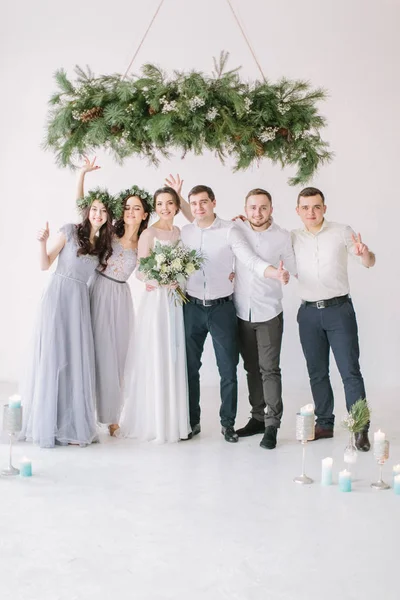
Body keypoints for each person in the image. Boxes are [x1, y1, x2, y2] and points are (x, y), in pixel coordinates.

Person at [178, 183, 289, 443]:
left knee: (228, 370)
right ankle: (192, 421)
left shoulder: (231, 230)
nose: (199, 208)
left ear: (214, 202)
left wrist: (274, 272)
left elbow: (249, 259)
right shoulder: (185, 232)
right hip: (191, 307)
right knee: (190, 368)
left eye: (204, 202)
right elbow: (186, 218)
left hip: (223, 309)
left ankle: (227, 424)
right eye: (194, 204)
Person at [20, 188, 114, 448]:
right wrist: (42, 242)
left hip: (79, 301)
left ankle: (72, 424)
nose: (98, 214)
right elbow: (44, 264)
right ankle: (48, 424)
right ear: (87, 210)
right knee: (54, 354)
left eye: (103, 210)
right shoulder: (71, 231)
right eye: (94, 209)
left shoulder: (104, 245)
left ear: (108, 216)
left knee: (74, 359)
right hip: (58, 295)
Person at [292, 187, 375, 451]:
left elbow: (369, 261)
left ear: (324, 208)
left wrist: (364, 252)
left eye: (316, 206)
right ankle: (324, 424)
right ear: (298, 211)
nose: (311, 212)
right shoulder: (292, 237)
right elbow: (263, 237)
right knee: (317, 372)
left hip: (339, 311)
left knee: (350, 371)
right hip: (307, 314)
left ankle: (360, 429)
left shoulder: (341, 231)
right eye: (305, 207)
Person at [77, 157, 152, 435]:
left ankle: (112, 415)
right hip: (98, 289)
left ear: (145, 214)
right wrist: (82, 175)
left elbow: (145, 272)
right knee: (95, 350)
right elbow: (85, 210)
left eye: (137, 208)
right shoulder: (111, 231)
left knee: (117, 355)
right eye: (128, 207)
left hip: (120, 296)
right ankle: (86, 410)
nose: (131, 211)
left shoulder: (145, 240)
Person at [117, 187, 191, 443]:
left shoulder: (178, 232)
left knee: (173, 353)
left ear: (177, 206)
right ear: (155, 207)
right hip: (156, 301)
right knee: (157, 354)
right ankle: (156, 423)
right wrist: (161, 280)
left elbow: (185, 266)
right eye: (160, 204)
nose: (165, 208)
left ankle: (173, 422)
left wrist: (177, 278)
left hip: (174, 302)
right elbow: (141, 271)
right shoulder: (149, 233)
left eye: (170, 203)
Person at [234, 188, 297, 449]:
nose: (257, 213)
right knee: (251, 369)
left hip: (269, 312)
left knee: (269, 369)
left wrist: (285, 275)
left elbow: (294, 267)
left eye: (262, 207)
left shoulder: (282, 236)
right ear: (245, 209)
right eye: (252, 207)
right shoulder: (236, 230)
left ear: (271, 209)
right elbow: (245, 260)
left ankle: (272, 425)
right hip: (241, 312)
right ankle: (257, 417)